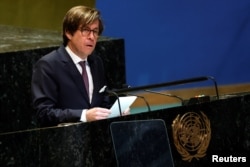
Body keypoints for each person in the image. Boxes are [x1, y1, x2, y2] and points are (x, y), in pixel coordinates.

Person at [31, 5, 117, 127]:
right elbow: (44, 113)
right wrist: (83, 115)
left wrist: (115, 112)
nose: (92, 37)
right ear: (69, 33)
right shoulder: (48, 65)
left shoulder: (96, 62)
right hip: (65, 141)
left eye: (95, 31)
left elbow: (103, 102)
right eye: (86, 30)